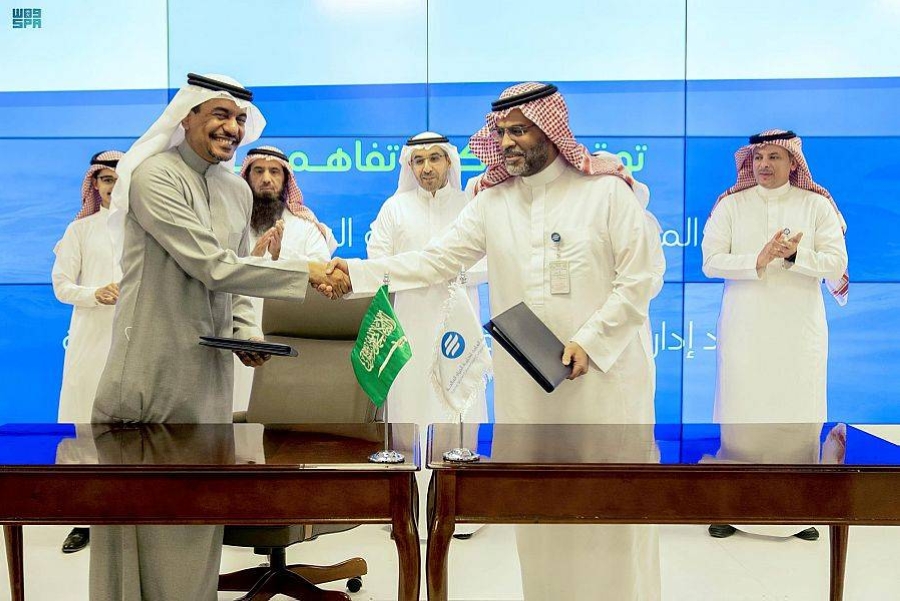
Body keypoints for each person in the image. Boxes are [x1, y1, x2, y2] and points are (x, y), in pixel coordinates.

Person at [324, 82, 665, 600]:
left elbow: (641, 277)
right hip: (528, 389)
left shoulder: (606, 192)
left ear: (550, 130)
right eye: (500, 132)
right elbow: (435, 261)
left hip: (604, 381)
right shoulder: (492, 202)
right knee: (539, 508)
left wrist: (592, 341)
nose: (506, 142)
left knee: (609, 506)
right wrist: (356, 272)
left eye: (519, 130)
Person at [90, 73, 344, 601]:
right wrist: (305, 273)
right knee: (139, 512)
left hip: (208, 375)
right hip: (151, 370)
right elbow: (211, 265)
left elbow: (238, 273)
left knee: (196, 509)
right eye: (220, 115)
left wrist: (245, 331)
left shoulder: (234, 188)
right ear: (186, 117)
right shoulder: (155, 177)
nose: (232, 128)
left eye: (239, 119)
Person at [701, 129, 849, 540]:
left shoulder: (816, 205)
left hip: (798, 336)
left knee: (795, 419)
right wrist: (758, 259)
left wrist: (796, 255)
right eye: (759, 157)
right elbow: (711, 261)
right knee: (743, 419)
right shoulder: (731, 205)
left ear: (792, 162)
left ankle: (798, 514)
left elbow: (836, 264)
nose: (764, 164)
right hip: (745, 333)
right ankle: (732, 509)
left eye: (774, 157)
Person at [366, 131, 487, 539]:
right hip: (411, 324)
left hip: (458, 324)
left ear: (449, 161)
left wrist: (444, 270)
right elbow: (378, 262)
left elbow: (489, 259)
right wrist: (425, 271)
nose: (427, 167)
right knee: (409, 409)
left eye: (435, 158)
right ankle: (409, 512)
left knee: (459, 404)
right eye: (419, 161)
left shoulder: (470, 206)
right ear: (409, 166)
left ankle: (458, 512)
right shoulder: (395, 208)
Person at [51, 150, 123, 554]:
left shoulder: (147, 229)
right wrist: (95, 293)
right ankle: (84, 517)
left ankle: (132, 512)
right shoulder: (79, 230)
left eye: (120, 179)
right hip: (92, 342)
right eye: (106, 179)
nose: (113, 186)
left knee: (136, 429)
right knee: (83, 425)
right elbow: (62, 285)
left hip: (137, 340)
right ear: (95, 184)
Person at [233, 145, 336, 410]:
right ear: (247, 176)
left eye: (274, 172)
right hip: (236, 337)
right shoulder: (231, 223)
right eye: (258, 171)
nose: (266, 178)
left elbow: (323, 278)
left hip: (287, 342)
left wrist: (279, 258)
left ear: (286, 179)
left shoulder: (306, 228)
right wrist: (252, 259)